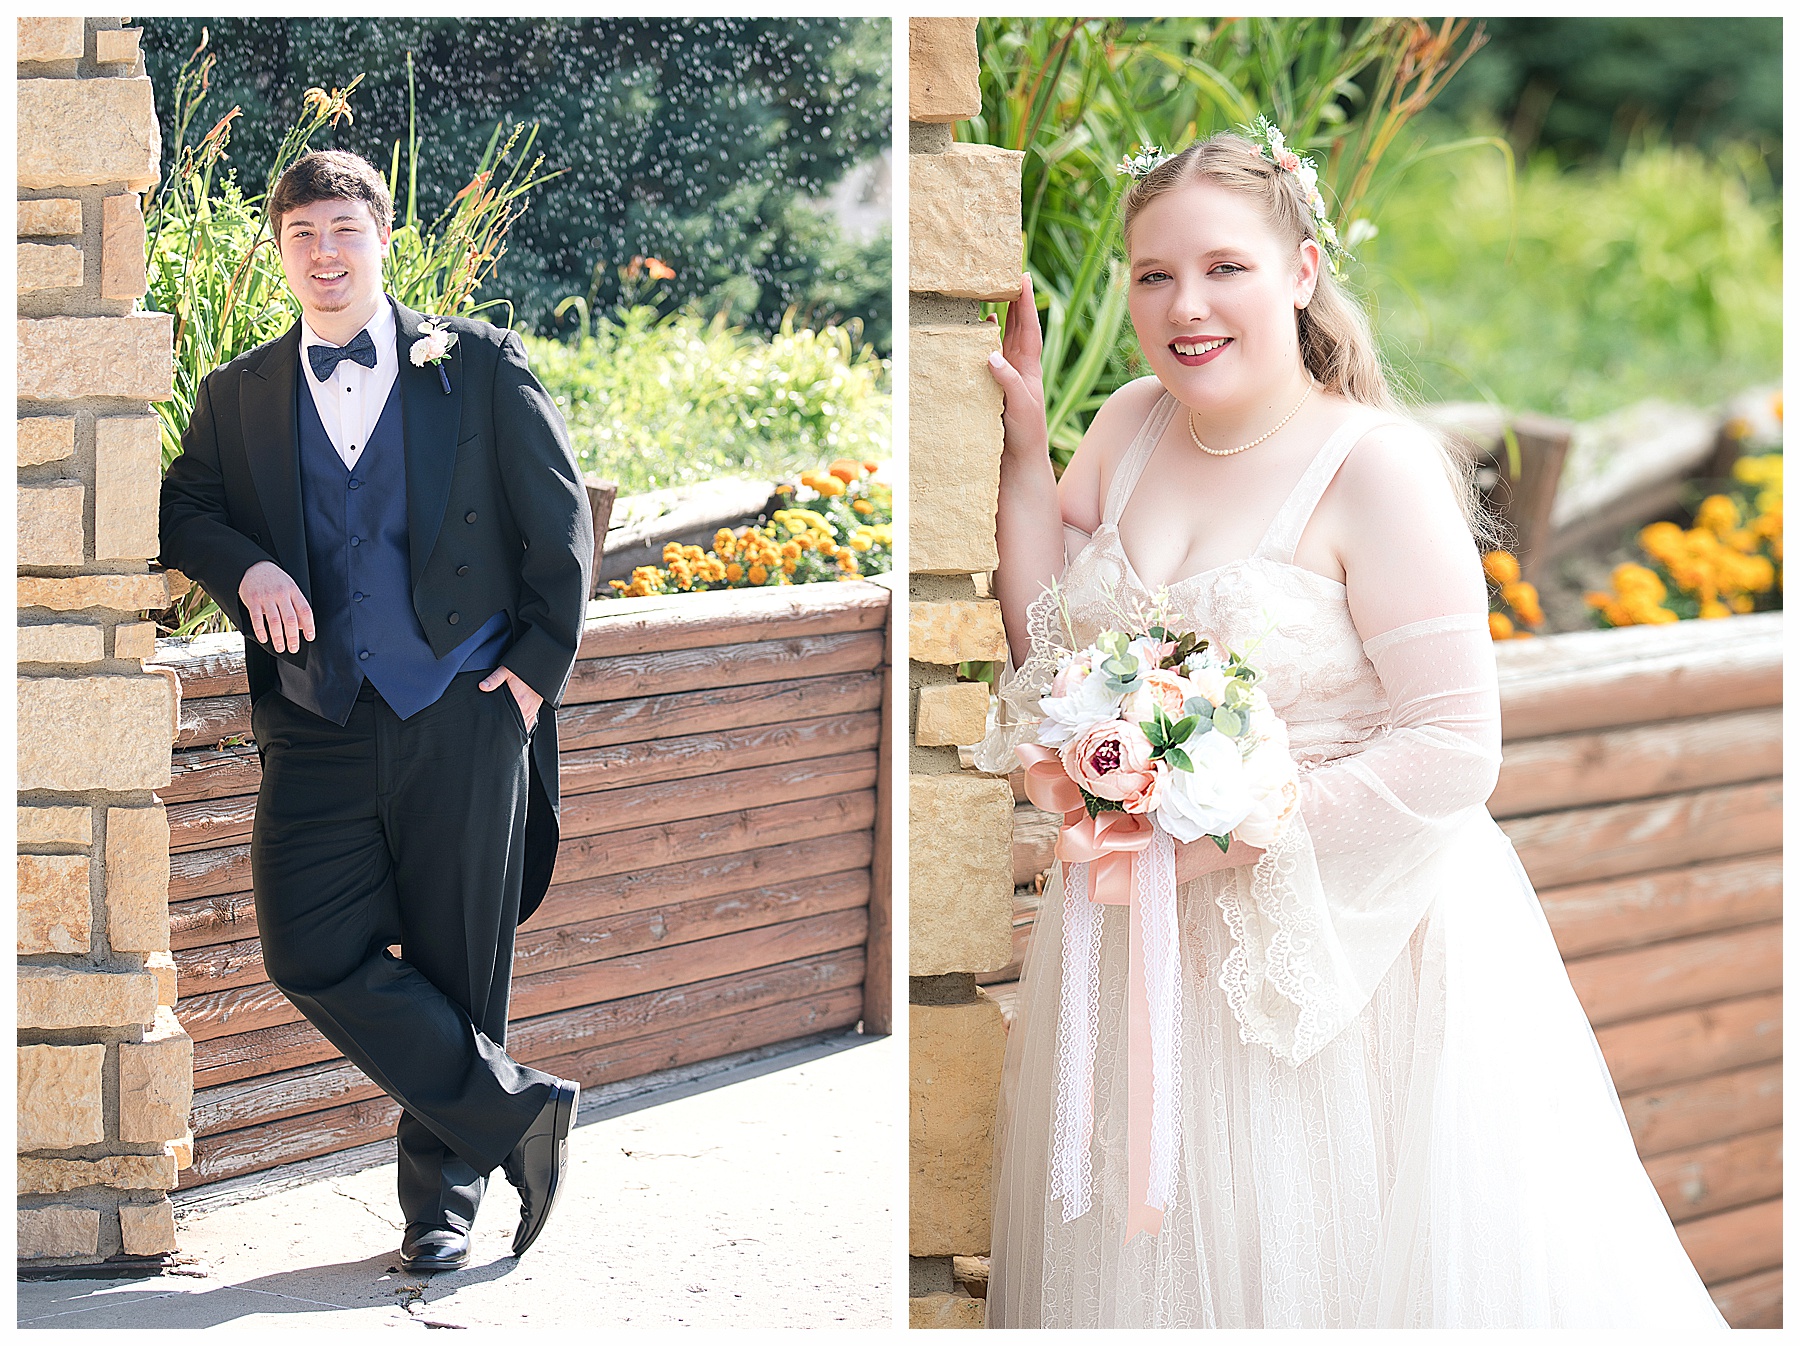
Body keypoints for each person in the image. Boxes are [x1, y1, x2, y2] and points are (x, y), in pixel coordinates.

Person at [975, 128, 1728, 1328]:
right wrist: (1024, 452)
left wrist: (1229, 823)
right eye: (1154, 273)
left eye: (1226, 266)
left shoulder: (1375, 468)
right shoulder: (1127, 425)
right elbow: (1048, 656)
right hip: (1138, 933)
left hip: (1335, 951)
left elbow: (1452, 743)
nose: (1187, 305)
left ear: (1304, 271)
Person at [159, 150, 593, 1274]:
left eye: (345, 230)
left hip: (463, 702)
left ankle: (436, 1210)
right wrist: (246, 566)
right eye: (302, 234)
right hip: (319, 713)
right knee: (305, 946)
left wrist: (535, 674)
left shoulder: (481, 365)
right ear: (278, 250)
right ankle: (519, 1112)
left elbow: (560, 532)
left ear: (383, 238)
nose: (325, 254)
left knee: (457, 963)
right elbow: (186, 506)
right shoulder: (238, 393)